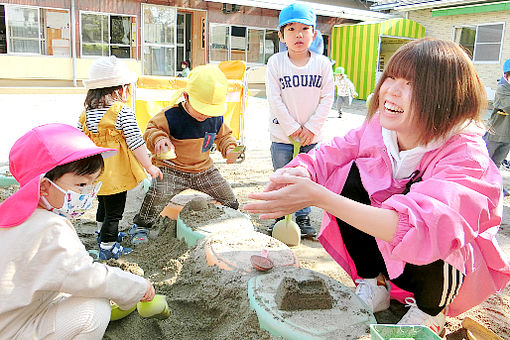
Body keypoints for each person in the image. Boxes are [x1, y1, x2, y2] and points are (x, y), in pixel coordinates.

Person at [245, 38, 510, 334]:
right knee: (351, 173)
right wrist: (294, 176)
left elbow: (419, 227)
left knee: (445, 229)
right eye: (391, 77)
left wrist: (321, 198)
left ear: (446, 96)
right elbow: (328, 155)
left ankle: (429, 311)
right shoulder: (379, 128)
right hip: (387, 249)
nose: (391, 91)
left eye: (411, 84)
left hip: (434, 264)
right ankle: (374, 284)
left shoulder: (466, 157)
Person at [0, 123, 155, 339]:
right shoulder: (51, 226)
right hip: (14, 330)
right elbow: (86, 277)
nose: (88, 194)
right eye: (81, 185)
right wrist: (138, 287)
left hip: (12, 318)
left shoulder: (15, 217)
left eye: (92, 184)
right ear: (44, 186)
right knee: (94, 308)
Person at [130, 65, 243, 240]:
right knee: (157, 194)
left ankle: (235, 217)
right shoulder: (171, 115)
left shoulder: (215, 118)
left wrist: (230, 149)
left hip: (204, 170)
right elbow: (151, 129)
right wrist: (159, 140)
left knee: (229, 198)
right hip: (172, 169)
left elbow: (225, 137)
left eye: (210, 110)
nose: (205, 114)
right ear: (186, 97)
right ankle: (141, 225)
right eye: (201, 108)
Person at [79, 56, 163, 260]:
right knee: (115, 213)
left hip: (97, 171)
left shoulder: (87, 113)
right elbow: (135, 142)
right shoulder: (121, 111)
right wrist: (149, 166)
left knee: (103, 205)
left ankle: (102, 235)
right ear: (119, 90)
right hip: (116, 174)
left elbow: (79, 138)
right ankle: (108, 247)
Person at [265, 2, 334, 238]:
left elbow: (327, 98)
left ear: (314, 34)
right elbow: (274, 98)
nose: (298, 35)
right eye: (291, 29)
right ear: (282, 36)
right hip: (282, 136)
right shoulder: (276, 63)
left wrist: (312, 128)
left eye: (305, 29)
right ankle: (279, 216)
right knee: (283, 176)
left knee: (305, 179)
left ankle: (303, 217)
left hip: (311, 138)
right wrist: (293, 128)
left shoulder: (322, 64)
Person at [484, 58, 510, 169]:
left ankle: (492, 185)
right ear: (506, 76)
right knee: (485, 162)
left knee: (496, 165)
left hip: (507, 136)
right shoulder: (502, 89)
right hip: (495, 133)